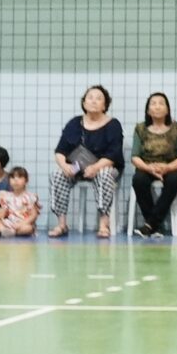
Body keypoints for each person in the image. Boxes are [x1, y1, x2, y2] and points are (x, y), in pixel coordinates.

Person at [48, 84, 123, 239]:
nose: (94, 101)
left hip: (104, 166)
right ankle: (62, 224)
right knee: (57, 174)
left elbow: (113, 154)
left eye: (99, 98)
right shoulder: (74, 123)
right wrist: (64, 166)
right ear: (84, 103)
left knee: (104, 174)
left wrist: (95, 167)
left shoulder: (113, 124)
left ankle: (103, 225)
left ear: (105, 105)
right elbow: (60, 151)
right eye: (90, 98)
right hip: (78, 166)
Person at [127, 92, 177, 237]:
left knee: (174, 180)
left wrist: (167, 168)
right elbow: (135, 156)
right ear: (148, 110)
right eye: (153, 104)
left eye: (161, 103)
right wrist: (148, 168)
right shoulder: (140, 128)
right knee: (139, 180)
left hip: (172, 166)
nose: (157, 106)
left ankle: (150, 224)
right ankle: (154, 225)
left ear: (167, 109)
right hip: (147, 166)